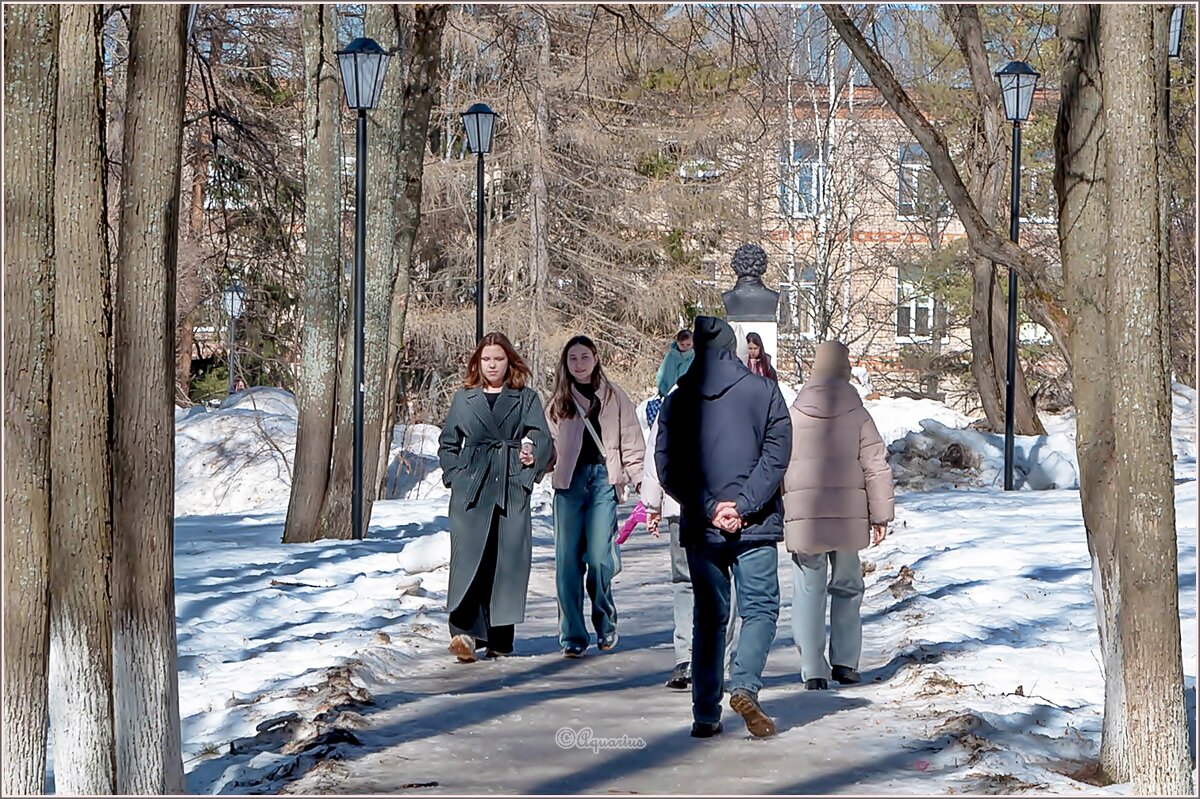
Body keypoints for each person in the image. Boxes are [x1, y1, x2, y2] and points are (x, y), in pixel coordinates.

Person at [656, 316, 792, 739]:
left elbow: (668, 467)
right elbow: (779, 451)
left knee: (710, 618)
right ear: (733, 347)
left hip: (702, 527)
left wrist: (711, 508)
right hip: (755, 525)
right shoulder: (764, 391)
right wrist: (746, 505)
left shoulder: (678, 401)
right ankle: (745, 684)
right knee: (761, 609)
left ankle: (704, 713)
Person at [782, 341, 894, 690]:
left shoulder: (794, 413)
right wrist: (881, 516)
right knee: (847, 587)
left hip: (807, 517)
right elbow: (877, 466)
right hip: (848, 516)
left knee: (808, 589)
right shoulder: (857, 413)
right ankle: (845, 662)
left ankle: (813, 668)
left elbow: (776, 461)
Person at [437, 333, 554, 662]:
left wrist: (529, 469)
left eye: (498, 359)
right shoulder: (465, 399)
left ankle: (500, 637)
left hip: (509, 487)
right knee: (468, 561)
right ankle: (464, 635)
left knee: (505, 563)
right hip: (472, 490)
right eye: (486, 359)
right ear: (477, 362)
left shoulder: (525, 397)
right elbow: (448, 443)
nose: (492, 365)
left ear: (509, 362)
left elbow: (542, 438)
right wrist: (455, 477)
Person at [547, 335, 645, 657]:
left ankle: (605, 622)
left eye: (584, 357)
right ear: (566, 362)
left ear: (595, 358)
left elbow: (632, 442)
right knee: (567, 563)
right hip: (569, 484)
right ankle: (573, 635)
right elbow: (546, 444)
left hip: (604, 479)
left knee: (600, 559)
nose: (578, 364)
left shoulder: (615, 396)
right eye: (572, 358)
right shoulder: (558, 401)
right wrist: (533, 461)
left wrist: (642, 485)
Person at [642, 396, 741, 692]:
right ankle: (686, 657)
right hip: (681, 507)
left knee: (718, 582)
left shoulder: (736, 393)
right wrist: (652, 502)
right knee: (686, 579)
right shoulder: (678, 395)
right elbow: (657, 450)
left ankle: (714, 660)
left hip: (721, 506)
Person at [651, 330, 695, 420]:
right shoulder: (670, 356)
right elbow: (661, 374)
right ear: (677, 343)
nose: (685, 347)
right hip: (667, 396)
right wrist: (663, 391)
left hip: (688, 399)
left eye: (688, 345)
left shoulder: (695, 358)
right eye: (682, 345)